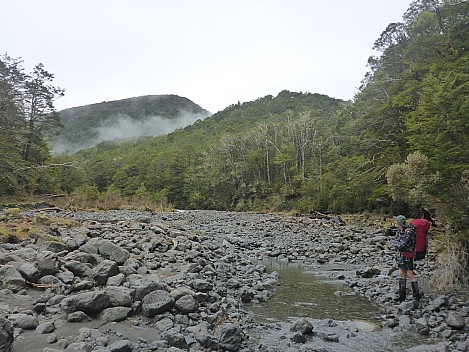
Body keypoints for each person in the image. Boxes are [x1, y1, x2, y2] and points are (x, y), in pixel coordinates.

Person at [393, 215, 422, 302]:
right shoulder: (399, 231)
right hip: (401, 256)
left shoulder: (409, 232)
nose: (394, 222)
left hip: (408, 255)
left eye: (395, 221)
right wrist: (398, 245)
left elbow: (402, 245)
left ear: (399, 223)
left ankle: (416, 295)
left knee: (410, 274)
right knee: (402, 273)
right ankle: (402, 296)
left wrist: (398, 245)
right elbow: (395, 242)